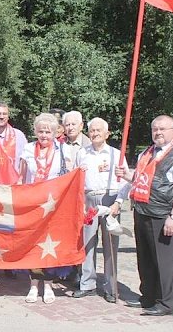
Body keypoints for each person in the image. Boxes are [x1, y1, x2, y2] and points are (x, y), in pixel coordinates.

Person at [116, 115, 173, 316]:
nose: (158, 133)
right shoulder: (147, 152)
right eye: (155, 129)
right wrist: (125, 174)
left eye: (162, 129)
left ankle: (165, 304)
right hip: (142, 212)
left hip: (163, 216)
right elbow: (141, 177)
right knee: (146, 258)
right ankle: (148, 297)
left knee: (164, 261)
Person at [19, 113, 73, 304]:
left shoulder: (62, 150)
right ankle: (33, 284)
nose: (44, 135)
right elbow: (21, 176)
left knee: (49, 244)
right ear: (35, 131)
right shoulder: (27, 149)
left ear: (54, 133)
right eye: (41, 131)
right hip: (32, 204)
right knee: (33, 244)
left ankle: (48, 284)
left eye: (48, 131)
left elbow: (70, 175)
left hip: (53, 205)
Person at [73, 117, 127, 303]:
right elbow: (76, 179)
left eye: (98, 130)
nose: (95, 133)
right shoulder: (82, 154)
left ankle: (111, 287)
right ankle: (87, 283)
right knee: (87, 243)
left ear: (107, 133)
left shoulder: (116, 154)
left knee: (110, 245)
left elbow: (125, 182)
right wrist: (79, 202)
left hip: (110, 199)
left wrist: (118, 203)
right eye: (92, 130)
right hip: (89, 200)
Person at [0, 102, 27, 174]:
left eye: (4, 114)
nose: (1, 117)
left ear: (8, 116)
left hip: (12, 181)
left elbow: (25, 160)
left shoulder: (19, 135)